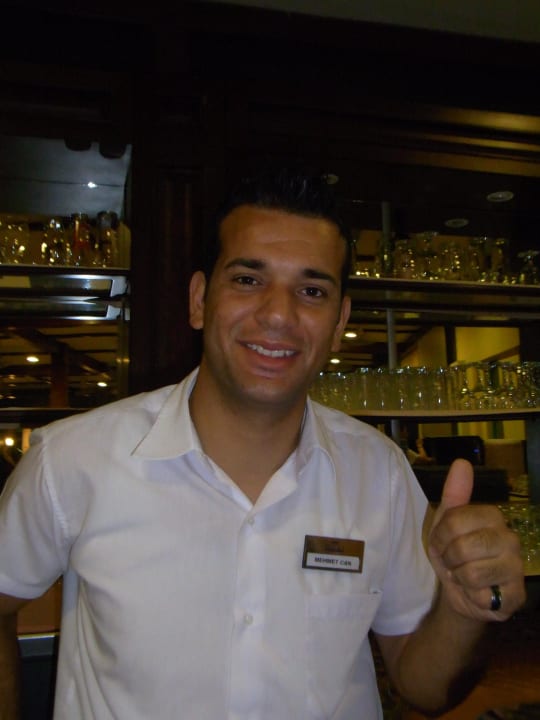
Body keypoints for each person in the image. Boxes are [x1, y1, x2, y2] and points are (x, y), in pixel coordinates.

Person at [0, 168, 525, 720]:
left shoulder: (380, 473)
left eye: (312, 290)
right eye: (248, 279)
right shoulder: (73, 461)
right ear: (200, 300)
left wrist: (464, 612)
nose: (278, 314)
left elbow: (423, 687)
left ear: (339, 321)